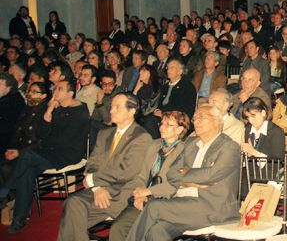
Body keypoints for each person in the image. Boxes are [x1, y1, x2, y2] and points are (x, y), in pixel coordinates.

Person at [125, 104, 241, 240]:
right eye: (195, 119)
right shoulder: (191, 143)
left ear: (216, 121)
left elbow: (211, 175)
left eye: (201, 118)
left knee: (154, 206)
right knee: (157, 231)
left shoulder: (229, 146)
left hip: (212, 208)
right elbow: (172, 173)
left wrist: (186, 174)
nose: (196, 122)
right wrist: (191, 182)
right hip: (184, 203)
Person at [57, 93, 151, 241]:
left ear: (131, 111)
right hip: (99, 191)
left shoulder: (141, 137)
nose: (111, 110)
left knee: (72, 210)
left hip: (119, 194)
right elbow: (92, 162)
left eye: (117, 107)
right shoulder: (104, 133)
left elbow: (125, 172)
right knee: (72, 207)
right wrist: (97, 188)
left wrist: (93, 180)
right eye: (111, 106)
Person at [1, 80, 90, 234]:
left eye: (60, 89)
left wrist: (47, 136)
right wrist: (48, 110)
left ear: (70, 93)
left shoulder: (80, 110)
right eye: (55, 88)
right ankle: (19, 219)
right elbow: (41, 133)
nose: (56, 91)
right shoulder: (55, 108)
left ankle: (4, 192)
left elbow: (64, 139)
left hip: (67, 154)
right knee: (27, 171)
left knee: (26, 155)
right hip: (49, 151)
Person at [108, 111, 189, 241]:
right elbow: (141, 175)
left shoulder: (185, 150)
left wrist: (148, 192)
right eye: (162, 123)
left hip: (164, 201)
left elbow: (175, 184)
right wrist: (140, 195)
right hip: (142, 197)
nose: (162, 127)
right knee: (118, 228)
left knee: (149, 233)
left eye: (169, 125)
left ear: (180, 129)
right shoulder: (154, 145)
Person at [144, 59, 196, 138]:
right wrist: (157, 110)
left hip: (176, 119)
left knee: (150, 121)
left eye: (172, 68)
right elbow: (159, 104)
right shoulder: (165, 86)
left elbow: (187, 110)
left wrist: (165, 115)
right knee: (147, 119)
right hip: (163, 117)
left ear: (180, 71)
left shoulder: (187, 86)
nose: (168, 70)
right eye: (168, 68)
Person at [0, 73, 25, 154]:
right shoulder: (3, 97)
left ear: (9, 86)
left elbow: (9, 126)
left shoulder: (15, 101)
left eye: (0, 84)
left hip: (7, 141)